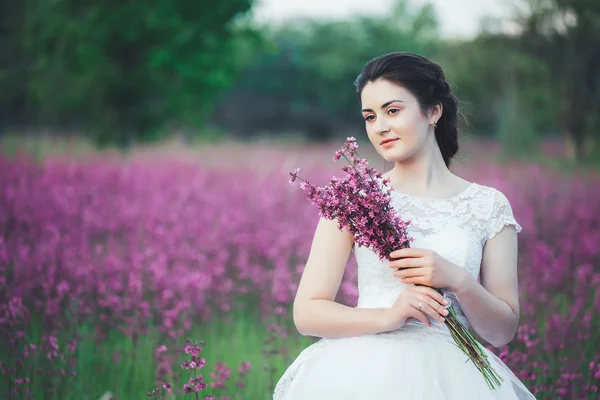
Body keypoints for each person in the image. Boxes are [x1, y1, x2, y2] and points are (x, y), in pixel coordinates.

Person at [273, 52, 536, 399]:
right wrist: (389, 316)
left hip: (455, 377)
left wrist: (457, 280)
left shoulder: (488, 206)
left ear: (433, 111)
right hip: (362, 372)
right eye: (370, 116)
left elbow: (502, 331)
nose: (380, 126)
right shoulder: (356, 198)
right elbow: (307, 312)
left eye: (393, 111)